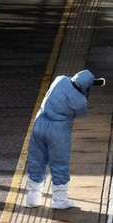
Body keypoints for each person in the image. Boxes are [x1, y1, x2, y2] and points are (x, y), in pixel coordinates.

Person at [25, 69, 95, 209]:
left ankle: (32, 198)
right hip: (58, 130)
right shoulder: (81, 101)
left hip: (40, 123)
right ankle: (59, 200)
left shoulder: (60, 79)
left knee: (36, 160)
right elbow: (80, 114)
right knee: (59, 164)